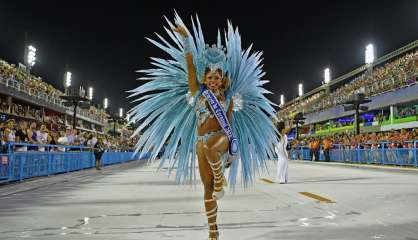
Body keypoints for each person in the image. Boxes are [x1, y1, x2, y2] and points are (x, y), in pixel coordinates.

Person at [129, 15, 278, 240]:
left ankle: (220, 179)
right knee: (207, 188)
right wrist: (187, 40)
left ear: (223, 77)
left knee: (211, 150)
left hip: (222, 140)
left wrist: (232, 145)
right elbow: (189, 65)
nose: (213, 80)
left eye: (217, 77)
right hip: (200, 142)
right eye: (209, 77)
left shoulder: (228, 97)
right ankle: (213, 230)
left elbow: (230, 124)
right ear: (204, 77)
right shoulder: (198, 93)